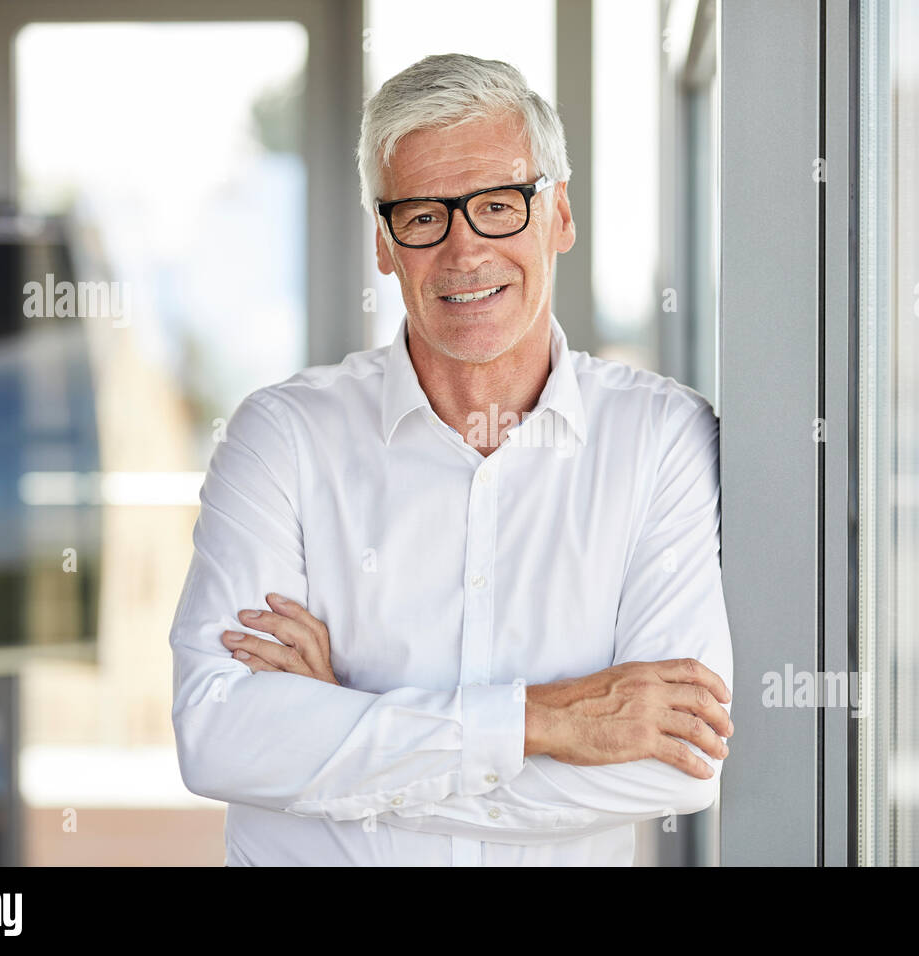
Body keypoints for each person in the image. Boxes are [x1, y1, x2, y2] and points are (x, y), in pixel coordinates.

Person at [169, 53, 733, 866]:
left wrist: (346, 726)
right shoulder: (282, 439)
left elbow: (676, 767)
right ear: (385, 245)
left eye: (498, 206)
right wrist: (546, 722)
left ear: (560, 216)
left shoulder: (661, 442)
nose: (464, 250)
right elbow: (219, 736)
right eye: (424, 216)